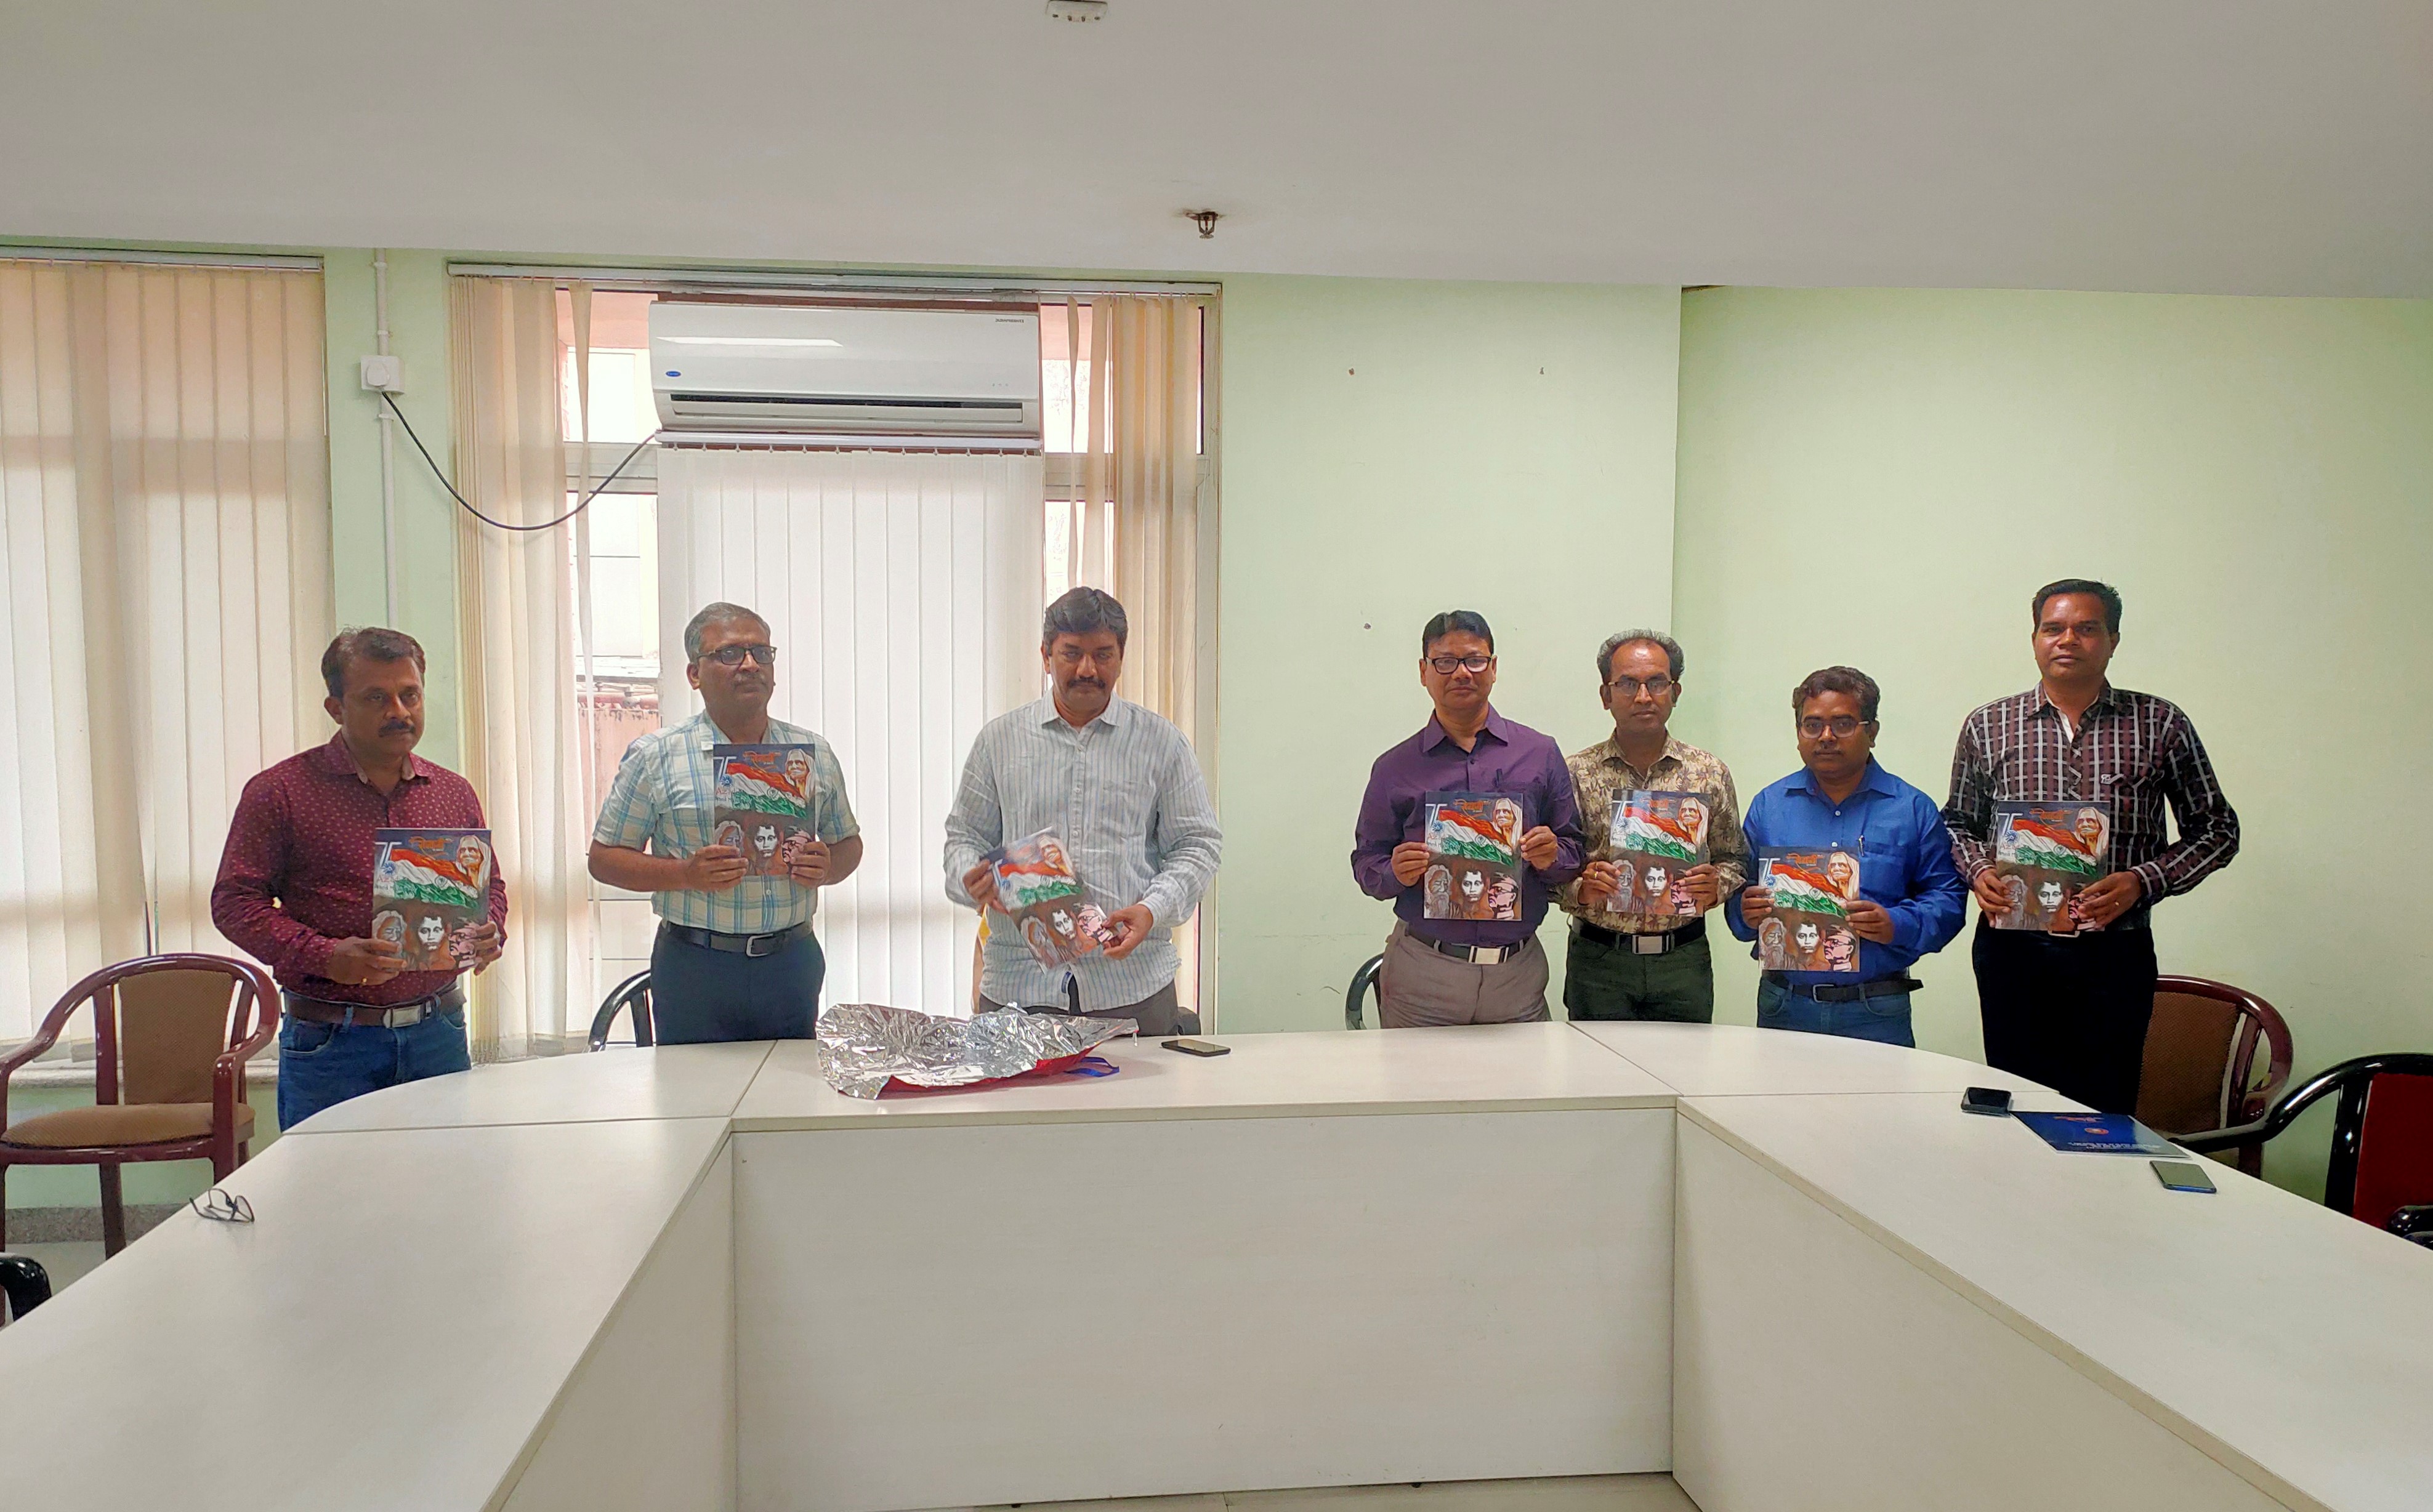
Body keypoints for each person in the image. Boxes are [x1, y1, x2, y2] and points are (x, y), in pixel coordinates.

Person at [1944, 579, 2240, 1114]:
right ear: (2034, 639)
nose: (2067, 640)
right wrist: (1978, 871)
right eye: (2052, 628)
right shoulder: (1987, 725)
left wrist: (2141, 881)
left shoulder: (2160, 723)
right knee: (2017, 1104)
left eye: (2086, 628)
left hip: (2114, 952)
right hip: (2013, 951)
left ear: (2112, 640)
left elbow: (2217, 830)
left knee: (2104, 1109)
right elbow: (1957, 823)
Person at [210, 629, 507, 1129]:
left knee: (443, 1172)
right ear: (335, 708)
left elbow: (490, 885)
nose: (399, 712)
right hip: (332, 1040)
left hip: (439, 1032)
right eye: (376, 698)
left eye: (410, 695)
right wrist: (325, 955)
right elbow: (235, 903)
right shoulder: (280, 792)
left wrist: (489, 930)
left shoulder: (451, 792)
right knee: (329, 1177)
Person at [943, 588, 1222, 1036]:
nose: (1087, 670)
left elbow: (1197, 845)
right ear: (1046, 656)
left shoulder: (1162, 743)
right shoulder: (999, 742)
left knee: (1141, 1089)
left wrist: (1152, 909)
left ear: (1121, 658)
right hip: (1020, 988)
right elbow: (964, 838)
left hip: (1133, 988)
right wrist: (969, 876)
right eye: (1071, 653)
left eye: (1103, 655)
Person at [590, 603, 862, 1043]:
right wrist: (685, 874)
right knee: (695, 1087)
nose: (750, 665)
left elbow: (848, 843)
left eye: (762, 653)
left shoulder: (811, 752)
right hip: (696, 965)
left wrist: (827, 866)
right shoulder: (656, 756)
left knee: (788, 1085)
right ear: (694, 674)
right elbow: (604, 859)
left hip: (790, 961)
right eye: (730, 654)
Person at [1351, 610, 1584, 1026]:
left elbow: (1573, 852)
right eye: (1445, 661)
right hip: (1424, 974)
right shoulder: (1393, 767)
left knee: (1526, 1072)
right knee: (1417, 1073)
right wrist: (1394, 872)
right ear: (1423, 672)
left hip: (1517, 976)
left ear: (1493, 668)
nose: (1461, 672)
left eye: (1474, 660)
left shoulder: (1540, 753)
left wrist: (1552, 855)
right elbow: (1367, 864)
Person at [1725, 667, 1967, 1046]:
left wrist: (1896, 924)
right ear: (1798, 734)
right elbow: (1736, 897)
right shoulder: (1769, 806)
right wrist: (1745, 911)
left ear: (1872, 732)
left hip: (1876, 1010)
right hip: (1785, 1006)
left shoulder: (1912, 809)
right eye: (1813, 725)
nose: (1826, 737)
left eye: (1843, 724)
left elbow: (1949, 900)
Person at [1559, 631, 1750, 1023]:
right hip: (1599, 961)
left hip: (1682, 960)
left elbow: (1734, 858)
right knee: (1595, 1062)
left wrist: (1718, 884)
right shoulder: (1574, 773)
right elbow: (1548, 868)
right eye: (1628, 684)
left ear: (1675, 692)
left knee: (1685, 1061)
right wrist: (1580, 888)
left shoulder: (1709, 773)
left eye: (1657, 683)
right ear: (1606, 695)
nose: (1643, 697)